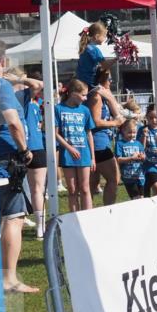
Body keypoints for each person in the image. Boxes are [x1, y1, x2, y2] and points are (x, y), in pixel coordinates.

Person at [0, 41, 40, 294]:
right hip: (5, 161)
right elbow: (13, 123)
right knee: (13, 217)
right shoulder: (0, 86)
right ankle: (8, 278)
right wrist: (24, 150)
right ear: (4, 61)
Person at [12, 70, 47, 240]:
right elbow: (38, 85)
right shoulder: (18, 97)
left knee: (36, 189)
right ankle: (29, 222)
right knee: (23, 189)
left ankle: (40, 226)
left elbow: (39, 85)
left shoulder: (33, 101)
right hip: (23, 147)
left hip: (35, 146)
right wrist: (18, 79)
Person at [55, 79, 96, 212]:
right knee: (72, 190)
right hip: (68, 155)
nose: (85, 98)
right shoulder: (58, 109)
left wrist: (93, 157)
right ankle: (74, 217)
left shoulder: (85, 110)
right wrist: (69, 148)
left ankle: (87, 217)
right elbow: (55, 133)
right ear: (73, 93)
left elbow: (89, 134)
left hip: (84, 153)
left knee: (85, 188)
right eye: (83, 95)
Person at [86, 68, 125, 206]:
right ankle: (108, 210)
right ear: (102, 80)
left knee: (92, 183)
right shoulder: (96, 97)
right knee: (114, 178)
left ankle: (88, 212)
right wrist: (115, 123)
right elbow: (95, 121)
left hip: (99, 141)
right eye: (110, 79)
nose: (111, 82)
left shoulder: (100, 96)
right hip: (98, 143)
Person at [115, 119, 146, 200]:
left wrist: (142, 157)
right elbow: (118, 159)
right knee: (136, 198)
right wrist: (131, 158)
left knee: (142, 198)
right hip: (128, 177)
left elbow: (144, 156)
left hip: (140, 176)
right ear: (123, 131)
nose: (132, 135)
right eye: (129, 132)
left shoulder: (138, 143)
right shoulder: (119, 143)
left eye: (134, 132)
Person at [77, 21, 114, 88]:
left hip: (81, 81)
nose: (105, 38)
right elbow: (105, 65)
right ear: (97, 36)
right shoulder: (94, 50)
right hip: (89, 83)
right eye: (104, 36)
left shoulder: (85, 47)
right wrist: (116, 58)